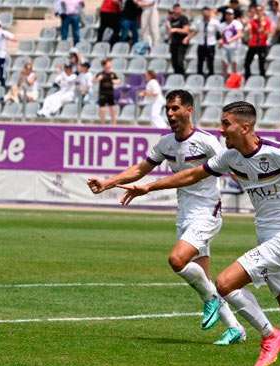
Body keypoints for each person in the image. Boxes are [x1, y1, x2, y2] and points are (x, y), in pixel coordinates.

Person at [114, 100, 280, 366]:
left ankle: (269, 335)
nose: (221, 129)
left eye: (226, 124)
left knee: (225, 283)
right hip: (267, 236)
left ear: (245, 126)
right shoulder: (230, 157)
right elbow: (192, 174)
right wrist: (148, 186)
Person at [87, 90, 256, 347]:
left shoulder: (208, 142)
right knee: (202, 279)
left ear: (189, 110)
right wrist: (108, 182)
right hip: (185, 213)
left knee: (177, 260)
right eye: (168, 109)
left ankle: (214, 301)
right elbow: (140, 169)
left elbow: (233, 166)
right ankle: (235, 329)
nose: (170, 114)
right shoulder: (166, 143)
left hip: (207, 212)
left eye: (176, 108)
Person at [190, 6, 222, 77]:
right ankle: (199, 77)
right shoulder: (199, 22)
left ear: (210, 13)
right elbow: (195, 31)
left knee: (210, 62)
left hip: (210, 44)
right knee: (200, 62)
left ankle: (211, 76)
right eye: (204, 12)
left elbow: (220, 32)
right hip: (201, 44)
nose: (205, 14)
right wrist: (188, 38)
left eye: (207, 12)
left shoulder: (215, 22)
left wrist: (222, 40)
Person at [244, 5, 271, 80]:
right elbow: (249, 29)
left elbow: (268, 32)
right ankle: (247, 77)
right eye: (257, 10)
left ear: (262, 11)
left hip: (262, 44)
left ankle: (262, 79)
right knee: (247, 62)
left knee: (261, 63)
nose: (258, 12)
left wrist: (263, 27)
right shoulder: (253, 21)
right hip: (253, 44)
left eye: (260, 10)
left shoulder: (266, 22)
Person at [95, 58, 120, 125]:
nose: (110, 65)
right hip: (103, 93)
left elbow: (118, 80)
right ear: (104, 65)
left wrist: (115, 81)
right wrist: (98, 79)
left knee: (112, 108)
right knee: (102, 108)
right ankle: (102, 123)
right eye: (108, 64)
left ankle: (114, 123)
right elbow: (94, 80)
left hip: (110, 93)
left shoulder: (112, 74)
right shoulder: (100, 74)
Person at [219, 8, 244, 76]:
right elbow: (222, 37)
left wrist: (230, 40)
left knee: (234, 63)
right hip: (225, 47)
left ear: (233, 15)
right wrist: (221, 42)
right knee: (224, 63)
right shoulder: (222, 25)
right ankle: (225, 79)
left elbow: (239, 34)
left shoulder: (237, 23)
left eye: (230, 14)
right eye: (227, 14)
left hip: (235, 47)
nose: (228, 16)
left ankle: (234, 79)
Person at [167, 4, 190, 75]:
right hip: (174, 43)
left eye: (179, 9)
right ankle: (176, 75)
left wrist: (176, 29)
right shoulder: (171, 20)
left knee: (180, 61)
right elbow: (170, 32)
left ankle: (182, 75)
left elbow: (186, 30)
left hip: (181, 42)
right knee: (174, 62)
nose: (178, 10)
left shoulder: (183, 18)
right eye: (176, 9)